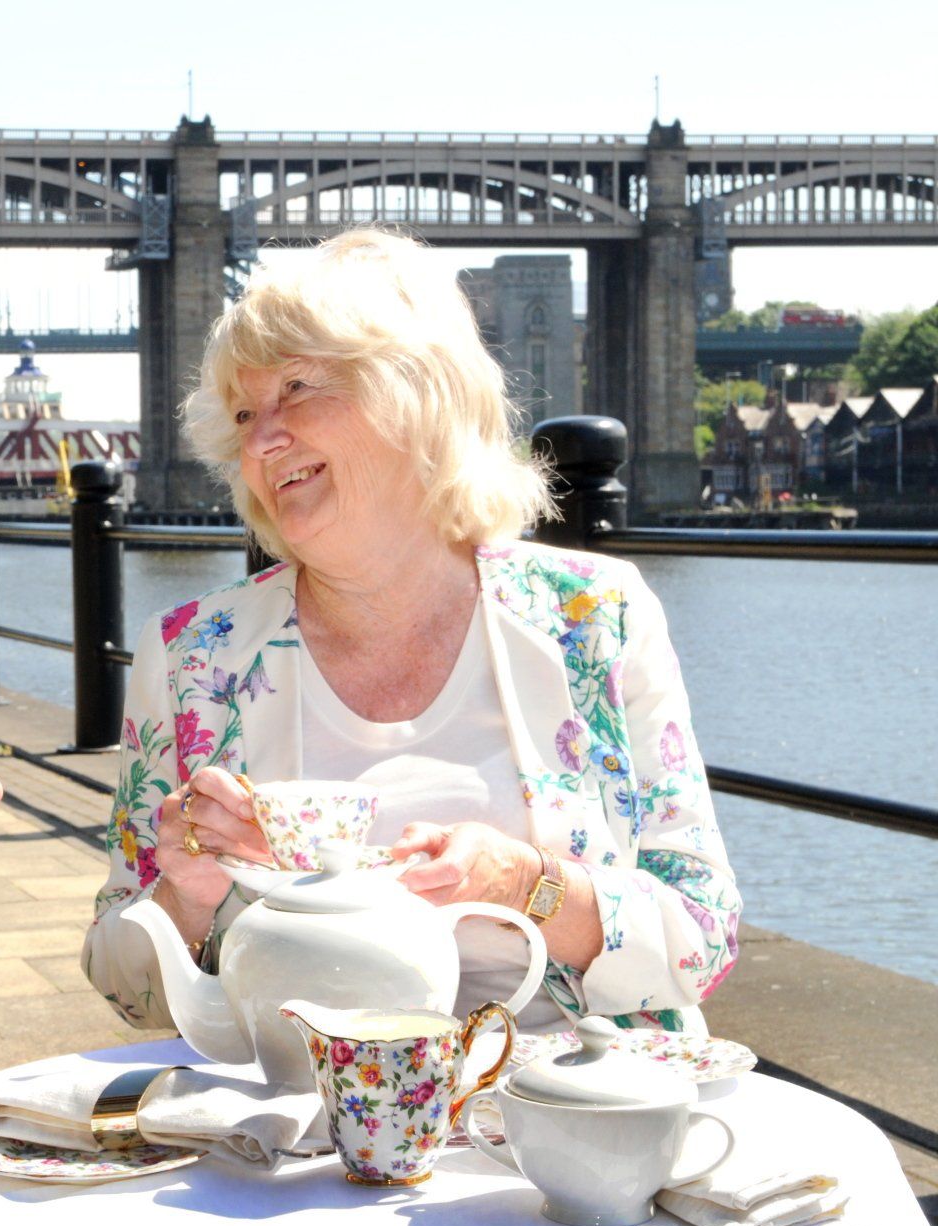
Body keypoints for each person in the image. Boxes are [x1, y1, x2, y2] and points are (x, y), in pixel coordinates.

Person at [82, 226, 739, 1039]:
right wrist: (185, 899)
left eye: (297, 389)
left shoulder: (595, 615)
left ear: (417, 394)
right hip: (305, 1102)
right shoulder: (191, 653)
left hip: (571, 1098)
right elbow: (126, 988)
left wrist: (525, 884)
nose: (260, 439)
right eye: (245, 412)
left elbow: (704, 934)